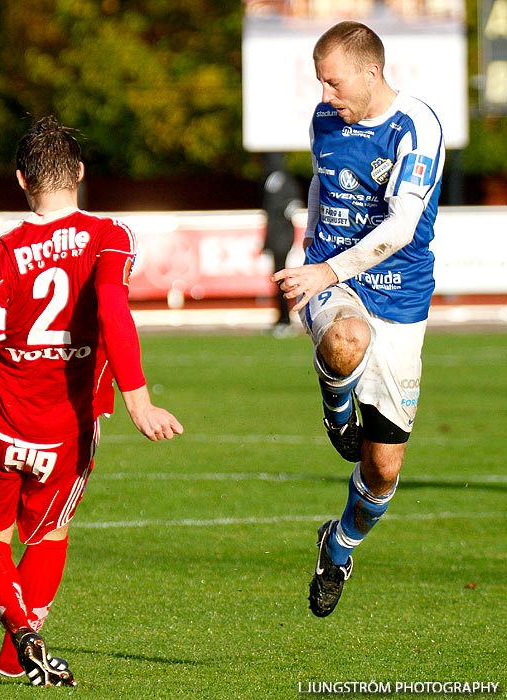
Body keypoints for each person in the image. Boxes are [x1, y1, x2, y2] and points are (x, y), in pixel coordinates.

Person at [0, 116, 183, 686]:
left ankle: (19, 639)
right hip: (67, 429)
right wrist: (139, 402)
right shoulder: (112, 235)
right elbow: (113, 310)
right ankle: (17, 656)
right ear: (80, 173)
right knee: (50, 536)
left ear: (21, 180)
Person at [272, 21, 444, 617]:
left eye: (334, 82)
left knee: (384, 470)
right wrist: (311, 256)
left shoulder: (416, 128)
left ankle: (338, 547)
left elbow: (400, 228)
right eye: (321, 83)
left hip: (399, 296)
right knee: (346, 340)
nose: (325, 96)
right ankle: (337, 411)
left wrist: (328, 270)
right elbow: (323, 181)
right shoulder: (326, 120)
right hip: (334, 282)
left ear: (371, 72)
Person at [261, 153, 303, 336]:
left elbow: (291, 206)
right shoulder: (271, 179)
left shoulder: (281, 180)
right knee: (277, 281)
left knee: (282, 281)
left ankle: (286, 319)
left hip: (281, 238)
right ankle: (281, 318)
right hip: (276, 238)